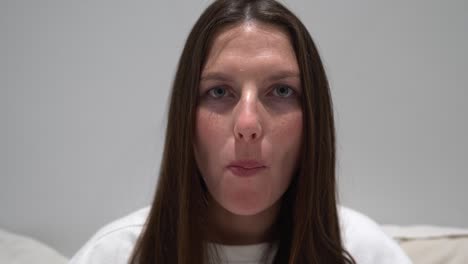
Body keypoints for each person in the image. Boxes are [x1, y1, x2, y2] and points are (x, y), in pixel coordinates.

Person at [70, 0, 412, 263]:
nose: (248, 124)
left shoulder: (364, 251)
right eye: (219, 92)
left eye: (281, 91)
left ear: (313, 121)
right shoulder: (116, 254)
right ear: (184, 120)